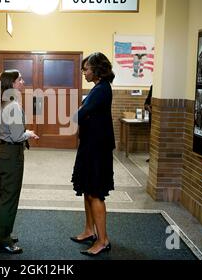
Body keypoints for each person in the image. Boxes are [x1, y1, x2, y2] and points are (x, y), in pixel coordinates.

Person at [71, 52, 115, 256]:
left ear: (97, 69)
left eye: (86, 69)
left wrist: (80, 110)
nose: (84, 72)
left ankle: (102, 239)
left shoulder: (101, 89)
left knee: (95, 192)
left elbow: (79, 115)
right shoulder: (97, 88)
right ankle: (90, 230)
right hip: (90, 145)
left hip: (97, 148)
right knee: (87, 189)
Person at [0, 69, 39, 254]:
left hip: (3, 151)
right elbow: (18, 135)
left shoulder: (3, 102)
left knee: (2, 197)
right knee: (9, 199)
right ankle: (3, 241)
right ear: (12, 83)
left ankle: (1, 235)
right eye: (20, 79)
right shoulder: (13, 106)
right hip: (11, 154)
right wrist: (30, 133)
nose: (23, 81)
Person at [144, 85, 152, 162]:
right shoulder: (153, 87)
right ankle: (152, 155)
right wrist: (148, 108)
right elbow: (146, 103)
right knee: (152, 137)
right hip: (152, 118)